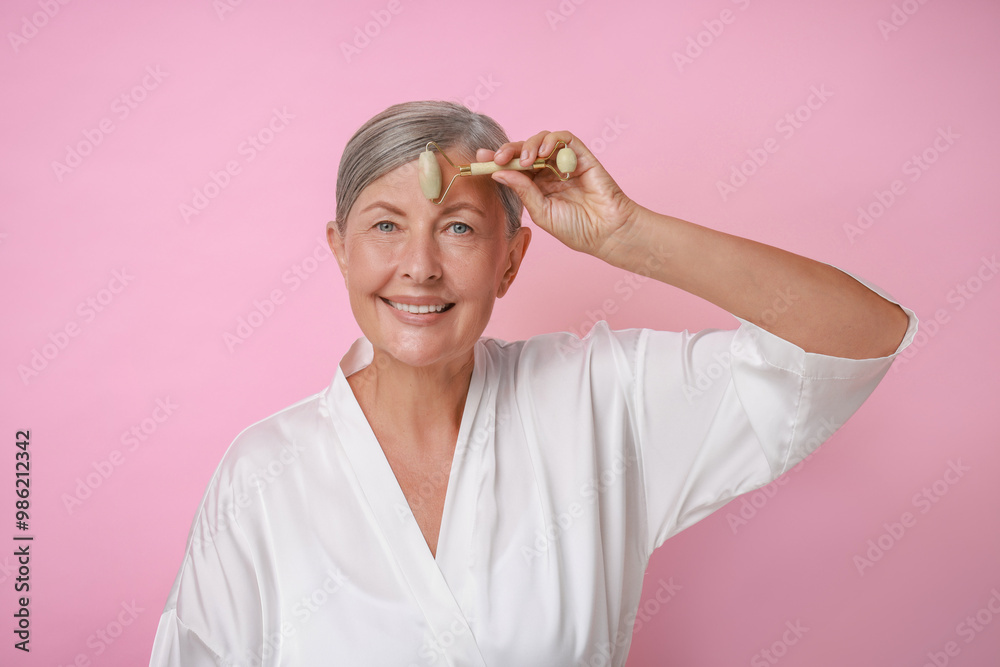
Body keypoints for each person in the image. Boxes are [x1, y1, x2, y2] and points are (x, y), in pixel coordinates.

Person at [149, 100, 916, 666]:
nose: (418, 265)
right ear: (340, 250)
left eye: (458, 227)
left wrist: (628, 235)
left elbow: (859, 336)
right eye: (385, 225)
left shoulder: (598, 403)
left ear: (511, 260)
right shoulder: (261, 476)